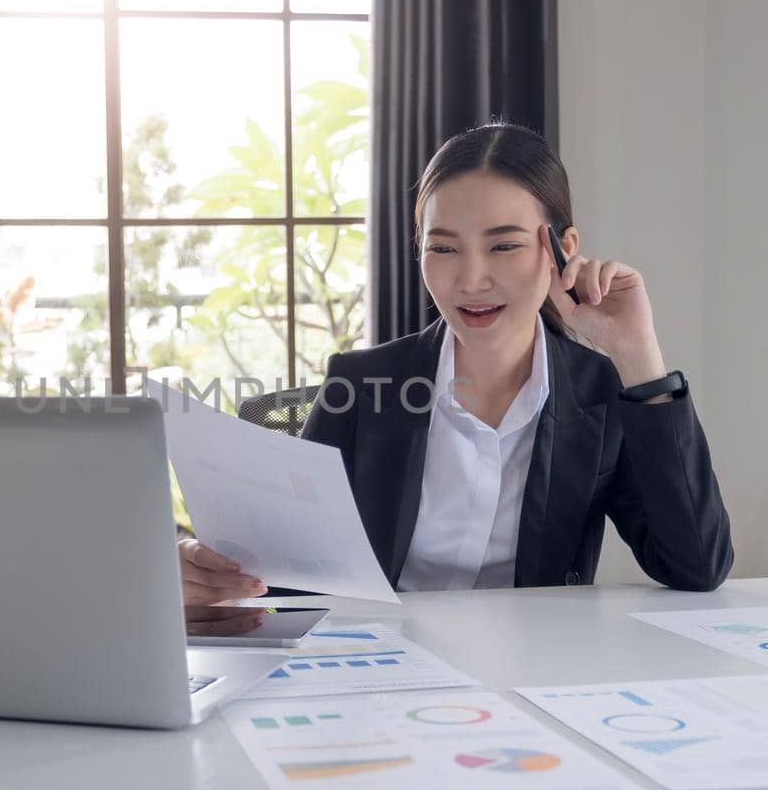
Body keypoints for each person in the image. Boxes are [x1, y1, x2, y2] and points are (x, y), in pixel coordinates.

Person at [178, 122, 733, 606]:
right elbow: (289, 579)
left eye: (504, 246)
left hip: (538, 676)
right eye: (443, 249)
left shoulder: (602, 395)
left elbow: (696, 567)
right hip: (385, 676)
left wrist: (637, 353)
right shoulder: (363, 385)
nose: (470, 280)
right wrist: (202, 571)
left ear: (562, 249)